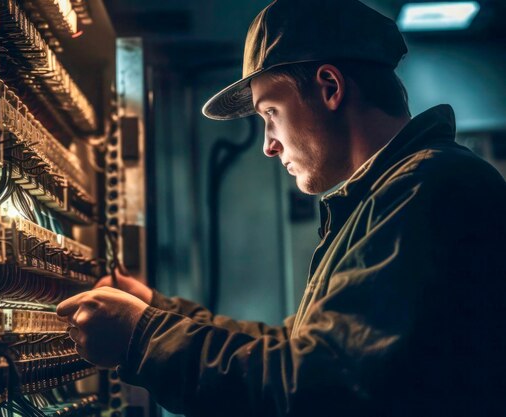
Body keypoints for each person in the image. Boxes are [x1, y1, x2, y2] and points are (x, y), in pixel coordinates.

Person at [57, 0, 506, 415]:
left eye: (270, 112)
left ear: (329, 87)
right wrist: (157, 311)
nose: (269, 145)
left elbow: (319, 387)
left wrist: (143, 338)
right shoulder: (394, 193)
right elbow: (298, 349)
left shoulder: (429, 191)